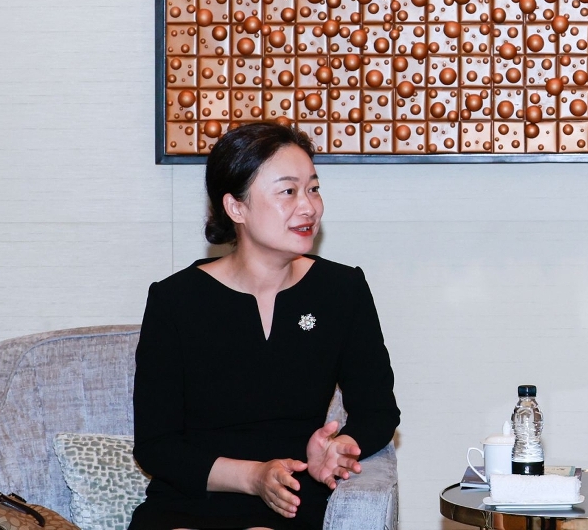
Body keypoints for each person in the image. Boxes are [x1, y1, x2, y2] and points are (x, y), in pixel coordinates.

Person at [130, 122, 401, 530]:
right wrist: (253, 476)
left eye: (313, 188)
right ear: (236, 208)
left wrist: (340, 445)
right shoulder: (175, 300)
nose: (309, 207)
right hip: (192, 497)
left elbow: (378, 411)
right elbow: (156, 445)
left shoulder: (342, 290)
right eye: (288, 191)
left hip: (291, 497)